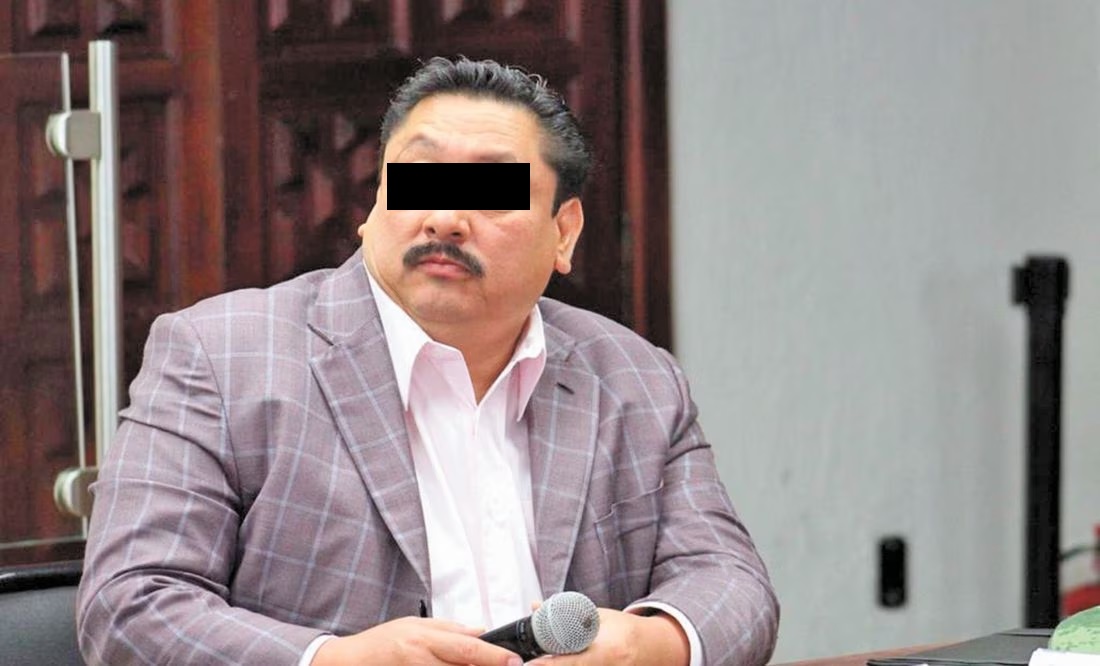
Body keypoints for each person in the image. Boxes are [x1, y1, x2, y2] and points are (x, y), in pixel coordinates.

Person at [77, 56, 779, 666]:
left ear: (564, 233)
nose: (445, 218)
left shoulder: (635, 378)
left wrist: (649, 645)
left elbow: (733, 585)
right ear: (373, 204)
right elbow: (129, 606)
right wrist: (332, 660)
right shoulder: (222, 355)